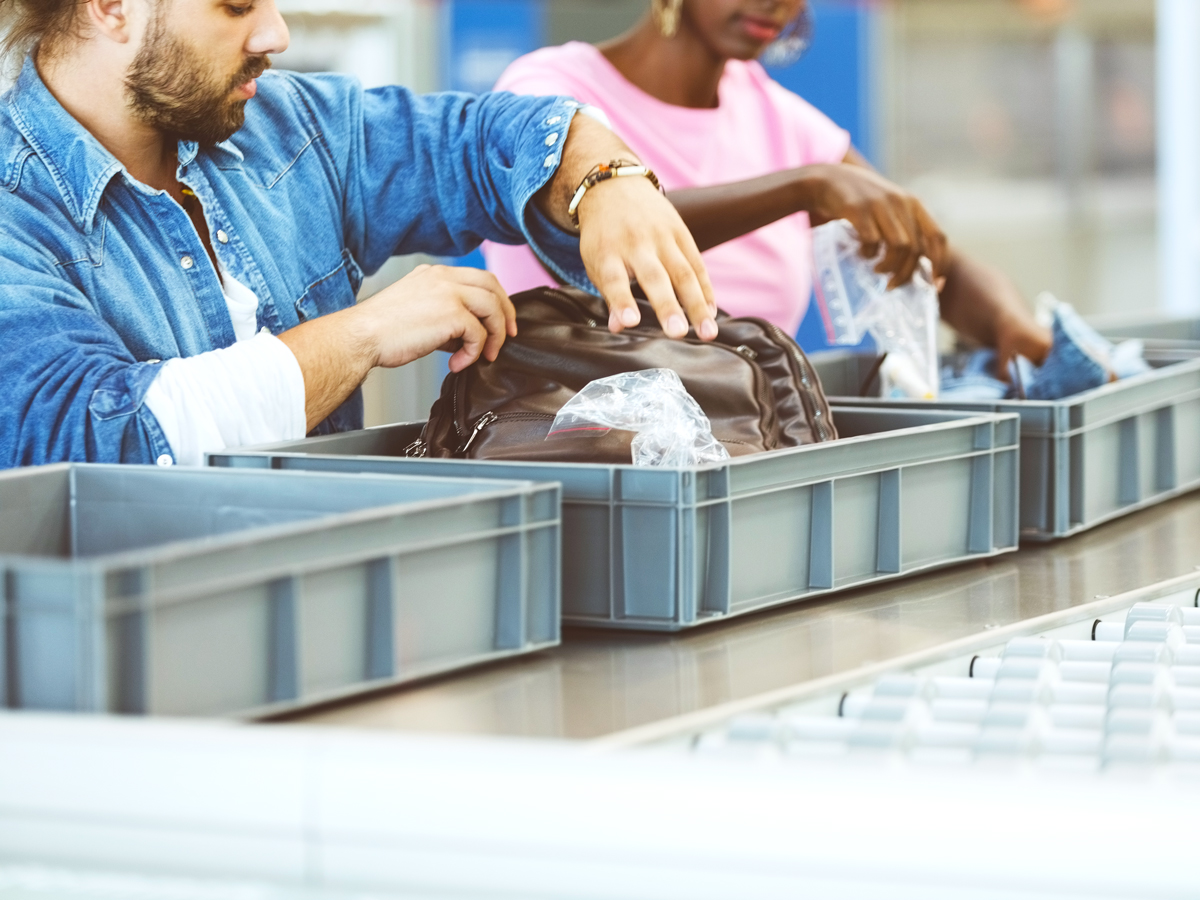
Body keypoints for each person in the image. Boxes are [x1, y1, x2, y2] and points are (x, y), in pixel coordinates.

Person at [0, 0, 719, 469]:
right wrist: (360, 335)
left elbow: (475, 143)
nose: (274, 33)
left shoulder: (294, 129)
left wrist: (603, 175)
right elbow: (95, 440)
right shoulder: (14, 212)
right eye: (236, 6)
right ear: (110, 7)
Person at [483, 0, 1052, 371]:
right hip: (573, 446)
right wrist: (803, 188)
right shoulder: (549, 89)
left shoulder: (782, 122)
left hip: (745, 450)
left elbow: (918, 250)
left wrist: (1012, 325)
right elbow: (616, 225)